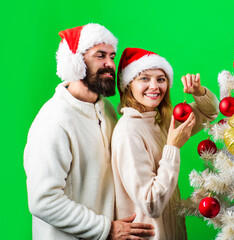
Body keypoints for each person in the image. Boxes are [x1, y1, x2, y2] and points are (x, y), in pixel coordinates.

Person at [24, 24, 155, 240]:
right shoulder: (53, 121)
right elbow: (43, 200)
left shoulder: (108, 110)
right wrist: (106, 229)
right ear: (75, 62)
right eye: (100, 56)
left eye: (112, 56)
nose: (110, 64)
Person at [111, 47, 219, 239]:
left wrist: (198, 92)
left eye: (160, 79)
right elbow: (151, 204)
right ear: (128, 85)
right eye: (144, 78)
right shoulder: (128, 132)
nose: (154, 86)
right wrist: (172, 147)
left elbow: (209, 112)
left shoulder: (160, 120)